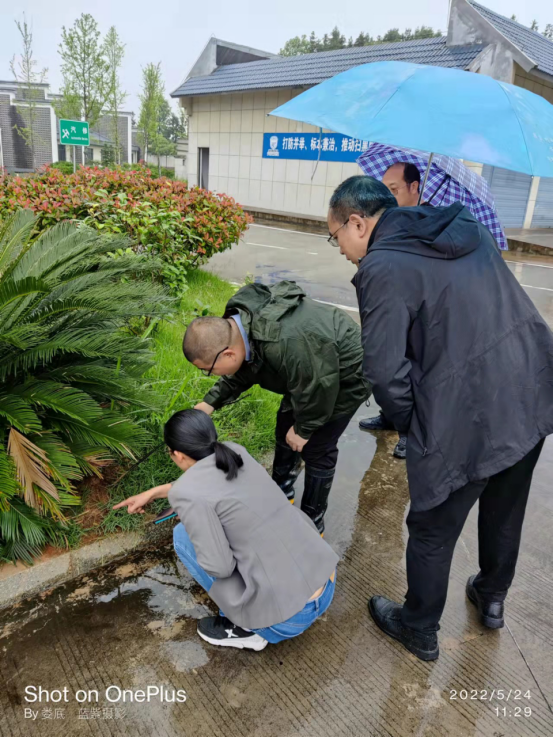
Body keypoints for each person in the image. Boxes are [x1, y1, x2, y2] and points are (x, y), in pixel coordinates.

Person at [328, 175, 553, 661]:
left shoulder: (382, 266)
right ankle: (491, 598)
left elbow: (383, 371)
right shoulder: (465, 226)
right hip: (528, 389)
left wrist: (414, 423)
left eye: (336, 237)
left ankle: (419, 626)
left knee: (432, 525)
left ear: (357, 223)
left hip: (465, 411)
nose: (341, 249)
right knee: (506, 507)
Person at [113, 409, 338, 651]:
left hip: (289, 619)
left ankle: (246, 629)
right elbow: (211, 484)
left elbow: (220, 567)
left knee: (182, 536)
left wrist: (196, 521)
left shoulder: (188, 494)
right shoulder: (235, 451)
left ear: (177, 454)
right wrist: (156, 492)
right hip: (325, 582)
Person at [182, 280, 370, 535]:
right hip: (309, 372)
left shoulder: (286, 343)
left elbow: (320, 387)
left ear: (227, 354)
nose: (210, 374)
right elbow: (248, 368)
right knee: (285, 429)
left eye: (208, 370)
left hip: (346, 375)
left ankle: (312, 523)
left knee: (317, 447)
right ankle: (281, 492)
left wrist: (304, 430)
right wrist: (210, 402)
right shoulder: (242, 330)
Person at [358, 162, 423, 458]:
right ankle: (389, 415)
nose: (388, 197)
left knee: (406, 363)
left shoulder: (427, 223)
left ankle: (409, 430)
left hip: (413, 306)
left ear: (414, 187)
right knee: (385, 353)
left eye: (394, 190)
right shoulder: (389, 222)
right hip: (389, 300)